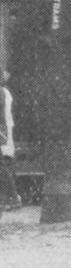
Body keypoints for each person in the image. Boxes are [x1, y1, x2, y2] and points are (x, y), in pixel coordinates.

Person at [0, 67, 19, 212]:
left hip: (2, 132)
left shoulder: (3, 93)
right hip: (4, 131)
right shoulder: (5, 92)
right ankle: (11, 198)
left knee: (2, 166)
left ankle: (11, 198)